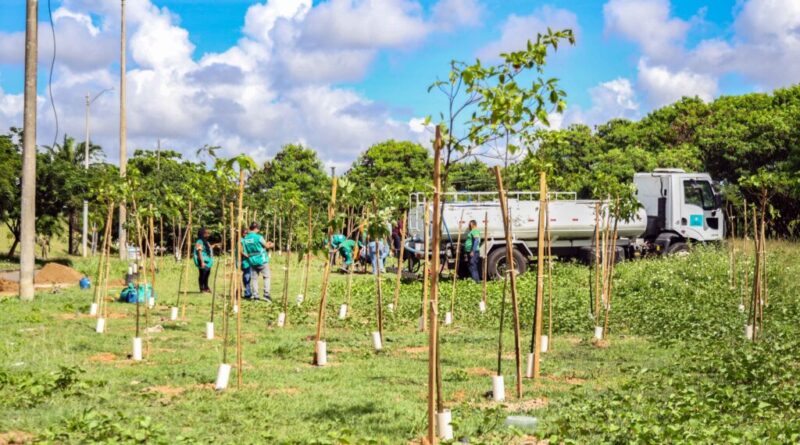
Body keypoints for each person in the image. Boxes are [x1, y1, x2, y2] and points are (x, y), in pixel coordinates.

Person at [241, 222, 273, 302]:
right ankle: (266, 295)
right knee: (266, 277)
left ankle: (256, 296)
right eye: (258, 228)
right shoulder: (258, 237)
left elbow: (245, 250)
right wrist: (270, 244)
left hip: (252, 260)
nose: (258, 230)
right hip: (262, 260)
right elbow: (266, 246)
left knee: (254, 279)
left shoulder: (245, 238)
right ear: (256, 229)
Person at [193, 227, 213, 292]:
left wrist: (215, 245)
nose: (208, 234)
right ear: (202, 234)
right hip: (202, 260)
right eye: (206, 233)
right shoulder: (199, 241)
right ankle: (202, 288)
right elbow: (199, 252)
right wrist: (202, 262)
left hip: (207, 260)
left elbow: (208, 248)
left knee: (207, 273)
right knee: (203, 274)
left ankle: (206, 287)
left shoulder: (206, 242)